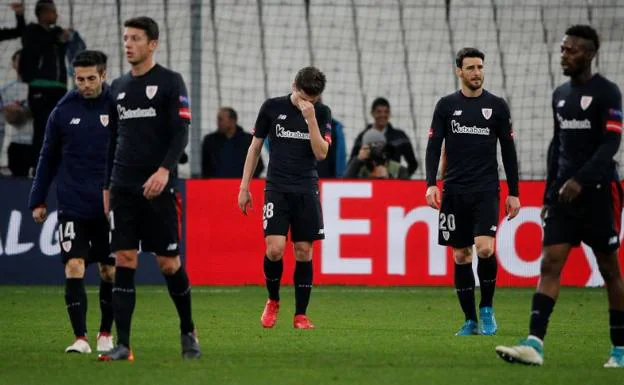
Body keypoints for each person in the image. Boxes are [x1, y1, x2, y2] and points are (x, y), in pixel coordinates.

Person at [496, 25, 624, 368]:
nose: (564, 55)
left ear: (590, 54)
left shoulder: (608, 93)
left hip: (599, 192)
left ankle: (620, 349)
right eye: (563, 49)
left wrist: (581, 180)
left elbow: (612, 142)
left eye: (572, 50)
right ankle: (534, 344)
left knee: (610, 270)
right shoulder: (560, 94)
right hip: (565, 198)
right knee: (550, 263)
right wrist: (551, 194)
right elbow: (558, 147)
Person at [99, 16, 200, 361]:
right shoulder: (118, 86)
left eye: (136, 38)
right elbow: (112, 141)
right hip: (123, 187)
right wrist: (106, 187)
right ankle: (123, 344)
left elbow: (181, 132)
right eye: (126, 38)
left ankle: (188, 331)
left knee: (168, 263)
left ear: (153, 43)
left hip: (158, 188)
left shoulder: (171, 82)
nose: (128, 44)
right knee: (123, 259)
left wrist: (163, 171)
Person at [425, 47, 520, 336]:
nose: (476, 72)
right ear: (459, 71)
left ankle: (487, 308)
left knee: (485, 248)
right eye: (470, 68)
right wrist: (431, 183)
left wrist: (513, 191)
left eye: (480, 67)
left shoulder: (498, 106)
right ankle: (469, 320)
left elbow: (508, 150)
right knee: (461, 256)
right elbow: (433, 146)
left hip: (486, 189)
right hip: (454, 190)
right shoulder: (445, 106)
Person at [28, 50, 115, 354]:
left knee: (109, 271)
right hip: (73, 205)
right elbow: (47, 157)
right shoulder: (62, 111)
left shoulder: (118, 105)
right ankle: (80, 338)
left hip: (109, 207)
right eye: (80, 79)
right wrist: (37, 199)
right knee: (74, 267)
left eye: (92, 78)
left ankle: (106, 333)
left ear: (103, 75)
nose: (86, 84)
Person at [238, 66, 331, 330]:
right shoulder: (271, 107)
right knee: (275, 249)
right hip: (277, 188)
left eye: (313, 99)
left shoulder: (321, 113)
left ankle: (301, 314)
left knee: (304, 251)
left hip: (306, 189)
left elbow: (321, 153)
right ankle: (273, 299)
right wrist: (244, 186)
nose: (307, 102)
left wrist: (311, 119)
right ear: (294, 86)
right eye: (304, 96)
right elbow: (255, 147)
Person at [19, 0, 71, 170]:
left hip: (58, 87)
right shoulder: (32, 31)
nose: (56, 15)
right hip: (40, 87)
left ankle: (56, 166)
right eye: (53, 12)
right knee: (41, 127)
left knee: (58, 128)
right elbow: (34, 49)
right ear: (43, 14)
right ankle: (38, 167)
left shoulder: (57, 32)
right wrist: (56, 38)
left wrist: (63, 40)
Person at [349, 97, 418, 177]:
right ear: (372, 113)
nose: (383, 115)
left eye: (386, 112)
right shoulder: (362, 137)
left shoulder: (400, 137)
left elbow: (413, 164)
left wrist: (400, 177)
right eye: (379, 112)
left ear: (390, 113)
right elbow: (351, 163)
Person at [201, 106, 264, 178]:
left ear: (232, 121)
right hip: (216, 186)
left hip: (241, 186)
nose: (218, 122)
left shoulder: (248, 140)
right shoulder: (210, 141)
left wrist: (246, 181)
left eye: (220, 119)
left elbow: (258, 165)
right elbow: (205, 167)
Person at [0, 50, 33, 176]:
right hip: (19, 145)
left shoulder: (41, 87)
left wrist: (27, 112)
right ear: (13, 64)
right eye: (19, 60)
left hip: (41, 144)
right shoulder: (5, 90)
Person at [343, 129, 409, 179]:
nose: (380, 149)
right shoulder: (360, 169)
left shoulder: (398, 169)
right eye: (375, 145)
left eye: (382, 145)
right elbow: (344, 186)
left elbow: (406, 193)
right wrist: (358, 160)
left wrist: (389, 179)